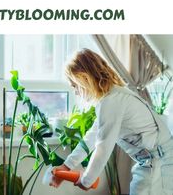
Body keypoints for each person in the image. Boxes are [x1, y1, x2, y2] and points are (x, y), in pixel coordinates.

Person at [50, 48, 173, 195]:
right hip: (153, 160)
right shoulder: (111, 97)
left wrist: (87, 180)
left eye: (75, 86)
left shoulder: (112, 101)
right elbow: (93, 135)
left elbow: (103, 146)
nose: (76, 92)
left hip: (160, 162)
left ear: (85, 78)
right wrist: (67, 166)